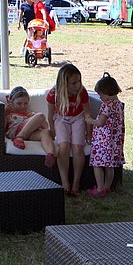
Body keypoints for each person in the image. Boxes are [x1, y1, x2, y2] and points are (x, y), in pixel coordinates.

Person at [46, 64, 92, 197]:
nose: (78, 85)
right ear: (64, 84)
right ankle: (65, 182)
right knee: (64, 146)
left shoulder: (82, 92)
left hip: (78, 118)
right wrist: (52, 129)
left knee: (78, 147)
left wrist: (89, 134)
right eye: (74, 83)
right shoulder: (53, 94)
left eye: (79, 81)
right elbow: (50, 115)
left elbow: (87, 113)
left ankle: (76, 183)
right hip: (61, 118)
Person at [85, 72, 125, 197]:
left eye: (100, 94)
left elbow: (101, 122)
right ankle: (107, 187)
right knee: (110, 166)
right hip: (115, 141)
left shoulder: (107, 105)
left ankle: (100, 188)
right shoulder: (119, 105)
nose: (100, 97)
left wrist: (89, 120)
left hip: (103, 141)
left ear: (106, 93)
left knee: (97, 164)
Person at [4, 86, 57, 167]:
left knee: (45, 132)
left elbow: (46, 126)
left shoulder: (30, 114)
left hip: (29, 134)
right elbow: (2, 128)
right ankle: (19, 136)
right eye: (19, 103)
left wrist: (40, 124)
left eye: (25, 103)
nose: (22, 106)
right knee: (41, 116)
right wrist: (5, 113)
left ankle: (50, 154)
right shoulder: (9, 113)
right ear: (11, 102)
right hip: (14, 131)